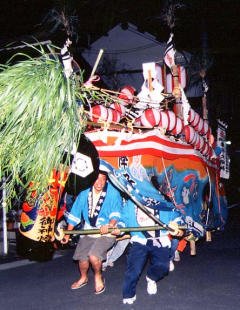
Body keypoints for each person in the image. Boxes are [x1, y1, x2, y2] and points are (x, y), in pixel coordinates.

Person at [61, 170, 123, 294]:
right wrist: (67, 235)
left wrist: (110, 226)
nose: (100, 182)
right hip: (89, 230)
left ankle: (98, 276)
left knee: (94, 256)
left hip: (107, 232)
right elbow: (75, 214)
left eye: (103, 179)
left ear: (107, 180)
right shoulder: (84, 193)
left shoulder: (113, 193)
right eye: (97, 179)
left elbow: (116, 213)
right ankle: (83, 277)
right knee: (82, 259)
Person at [121, 199, 183, 305]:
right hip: (139, 239)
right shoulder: (131, 202)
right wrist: (119, 227)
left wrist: (177, 226)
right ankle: (128, 294)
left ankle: (151, 278)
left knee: (163, 266)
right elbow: (123, 218)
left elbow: (176, 216)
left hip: (159, 239)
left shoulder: (161, 201)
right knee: (133, 269)